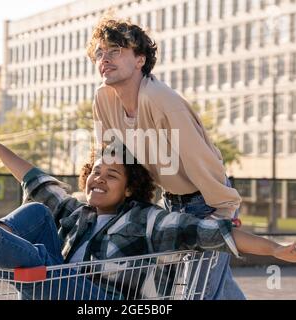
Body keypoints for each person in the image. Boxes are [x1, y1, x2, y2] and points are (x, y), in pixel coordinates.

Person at [0, 123, 296, 300]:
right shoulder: (77, 213)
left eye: (111, 175)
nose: (98, 178)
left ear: (131, 186)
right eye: (94, 171)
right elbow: (37, 178)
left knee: (40, 267)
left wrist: (275, 250)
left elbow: (215, 233)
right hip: (59, 283)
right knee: (39, 210)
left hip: (103, 300)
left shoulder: (146, 220)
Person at [88, 17, 245, 299]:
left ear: (140, 59)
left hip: (206, 202)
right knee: (205, 289)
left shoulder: (161, 100)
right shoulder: (104, 98)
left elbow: (200, 159)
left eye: (115, 51)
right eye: (100, 52)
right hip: (170, 203)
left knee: (197, 293)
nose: (105, 59)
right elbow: (111, 156)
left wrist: (224, 211)